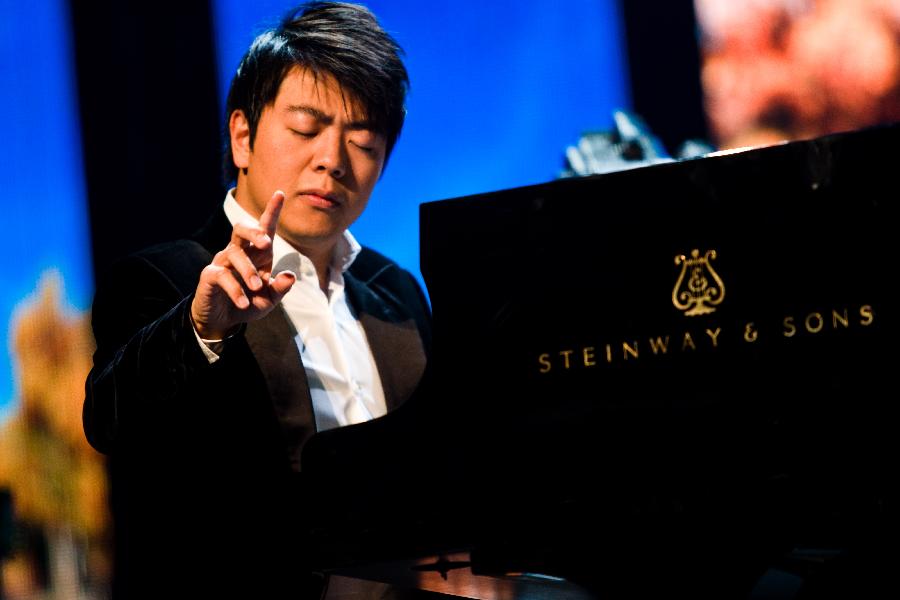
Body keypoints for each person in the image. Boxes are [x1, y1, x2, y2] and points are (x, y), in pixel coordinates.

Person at [83, 3, 431, 598]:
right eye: (305, 129)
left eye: (365, 141)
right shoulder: (164, 278)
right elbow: (110, 420)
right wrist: (199, 329)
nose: (334, 160)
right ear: (242, 135)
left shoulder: (396, 292)